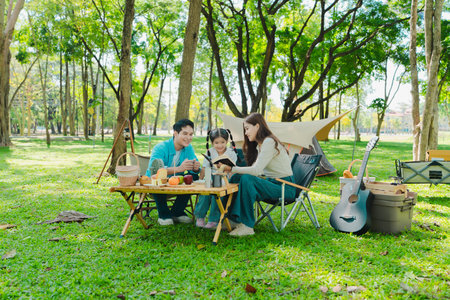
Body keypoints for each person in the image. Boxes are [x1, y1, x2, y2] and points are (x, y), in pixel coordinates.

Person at [217, 113, 296, 236]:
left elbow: (256, 170)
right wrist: (233, 171)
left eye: (247, 128)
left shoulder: (269, 142)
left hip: (285, 187)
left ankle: (247, 225)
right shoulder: (261, 145)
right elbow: (258, 171)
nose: (246, 132)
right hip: (272, 182)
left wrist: (231, 168)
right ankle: (233, 219)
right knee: (239, 177)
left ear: (257, 126)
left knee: (248, 179)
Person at [146, 119, 201, 226]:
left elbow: (194, 168)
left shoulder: (188, 148)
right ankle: (164, 214)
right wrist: (179, 168)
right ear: (175, 133)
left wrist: (195, 167)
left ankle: (177, 211)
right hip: (156, 183)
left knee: (193, 176)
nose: (188, 138)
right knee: (158, 179)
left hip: (175, 182)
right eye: (185, 133)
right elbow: (155, 170)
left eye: (191, 134)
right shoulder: (161, 147)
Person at [195, 128, 238, 229]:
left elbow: (233, 170)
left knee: (217, 194)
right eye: (216, 142)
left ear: (227, 141)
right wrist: (200, 180)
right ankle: (200, 217)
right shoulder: (210, 151)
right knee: (205, 192)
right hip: (211, 178)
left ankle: (213, 220)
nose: (220, 145)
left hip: (224, 179)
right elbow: (205, 168)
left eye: (222, 142)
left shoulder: (231, 152)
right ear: (212, 142)